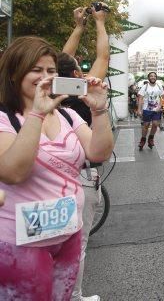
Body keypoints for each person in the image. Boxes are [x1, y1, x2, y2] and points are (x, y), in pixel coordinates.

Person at [0, 36, 114, 300]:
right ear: (15, 73)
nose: (45, 77)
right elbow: (13, 171)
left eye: (51, 71)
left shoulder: (67, 115)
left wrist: (99, 111)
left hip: (68, 233)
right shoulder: (5, 118)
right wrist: (37, 114)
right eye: (36, 70)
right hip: (20, 241)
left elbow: (99, 152)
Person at [57, 5, 110, 301]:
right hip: (81, 171)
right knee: (77, 244)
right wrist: (99, 23)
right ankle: (74, 296)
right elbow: (103, 57)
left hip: (48, 171)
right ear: (77, 72)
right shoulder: (82, 89)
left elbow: (62, 58)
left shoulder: (50, 87)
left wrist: (78, 27)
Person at [137, 72, 164, 150]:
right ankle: (143, 140)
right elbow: (140, 98)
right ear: (148, 78)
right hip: (146, 109)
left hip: (156, 109)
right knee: (146, 125)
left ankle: (151, 138)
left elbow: (162, 97)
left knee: (155, 124)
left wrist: (160, 106)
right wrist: (139, 109)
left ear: (156, 78)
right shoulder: (145, 87)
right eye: (151, 76)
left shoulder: (159, 86)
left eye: (154, 76)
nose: (153, 77)